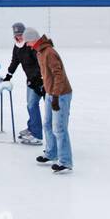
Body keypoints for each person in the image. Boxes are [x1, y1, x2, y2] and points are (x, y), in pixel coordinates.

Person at [25, 29, 73, 173]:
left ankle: (65, 162)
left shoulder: (49, 53)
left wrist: (56, 96)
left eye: (27, 41)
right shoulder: (40, 52)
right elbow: (47, 74)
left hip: (61, 94)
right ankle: (52, 153)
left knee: (59, 128)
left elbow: (59, 75)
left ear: (33, 39)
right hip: (50, 93)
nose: (27, 45)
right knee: (47, 124)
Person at [3, 22, 44, 146]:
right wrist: (8, 75)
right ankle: (33, 129)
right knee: (31, 105)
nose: (19, 37)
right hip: (31, 80)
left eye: (21, 34)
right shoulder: (17, 46)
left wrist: (37, 79)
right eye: (17, 35)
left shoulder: (31, 45)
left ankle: (37, 135)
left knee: (34, 106)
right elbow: (15, 61)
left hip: (40, 80)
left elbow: (40, 63)